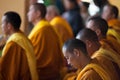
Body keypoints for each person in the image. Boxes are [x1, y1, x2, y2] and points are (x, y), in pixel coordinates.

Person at [27, 3, 65, 80]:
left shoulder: (42, 30)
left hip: (43, 73)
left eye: (30, 11)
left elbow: (32, 55)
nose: (28, 14)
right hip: (53, 72)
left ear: (38, 13)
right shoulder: (46, 27)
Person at [0, 11, 38, 80]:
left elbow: (6, 70)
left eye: (2, 23)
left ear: (9, 26)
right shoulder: (23, 37)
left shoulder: (13, 44)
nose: (1, 26)